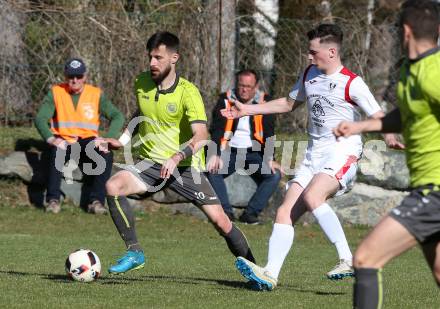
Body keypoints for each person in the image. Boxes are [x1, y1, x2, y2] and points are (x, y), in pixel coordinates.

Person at [221, 23, 397, 290]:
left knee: (313, 197)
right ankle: (270, 274)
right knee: (284, 212)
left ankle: (348, 258)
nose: (309, 56)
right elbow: (287, 103)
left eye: (313, 52)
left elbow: (377, 115)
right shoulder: (309, 74)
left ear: (331, 51)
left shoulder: (352, 82)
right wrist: (247, 109)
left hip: (344, 150)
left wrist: (390, 136)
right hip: (314, 155)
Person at [100, 31, 256, 274]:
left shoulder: (188, 92)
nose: (152, 63)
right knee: (113, 186)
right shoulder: (142, 82)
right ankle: (134, 252)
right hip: (151, 163)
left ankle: (256, 269)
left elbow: (201, 134)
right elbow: (140, 114)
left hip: (185, 167)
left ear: (174, 58)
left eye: (158, 58)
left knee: (221, 222)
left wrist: (176, 157)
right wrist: (122, 140)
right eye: (150, 57)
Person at [333, 1, 440, 308]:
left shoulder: (434, 71)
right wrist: (360, 126)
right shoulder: (410, 69)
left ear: (404, 32)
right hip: (427, 189)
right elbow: (406, 115)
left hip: (435, 192)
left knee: (365, 258)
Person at [34, 57, 124, 214]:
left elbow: (117, 116)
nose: (74, 80)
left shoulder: (95, 94)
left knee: (106, 154)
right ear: (65, 76)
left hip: (88, 142)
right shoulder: (56, 93)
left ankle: (96, 202)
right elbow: (40, 118)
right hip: (65, 141)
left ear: (85, 76)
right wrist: (51, 139)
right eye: (71, 76)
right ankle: (53, 201)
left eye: (79, 76)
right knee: (57, 152)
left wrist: (106, 139)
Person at [207, 69, 282, 224]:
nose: (244, 89)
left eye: (249, 86)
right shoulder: (225, 100)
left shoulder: (264, 102)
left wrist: (269, 158)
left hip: (254, 153)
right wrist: (215, 154)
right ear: (236, 84)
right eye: (241, 85)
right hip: (230, 151)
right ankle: (226, 214)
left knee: (274, 175)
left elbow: (268, 132)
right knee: (213, 171)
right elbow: (217, 129)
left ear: (256, 86)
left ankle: (250, 214)